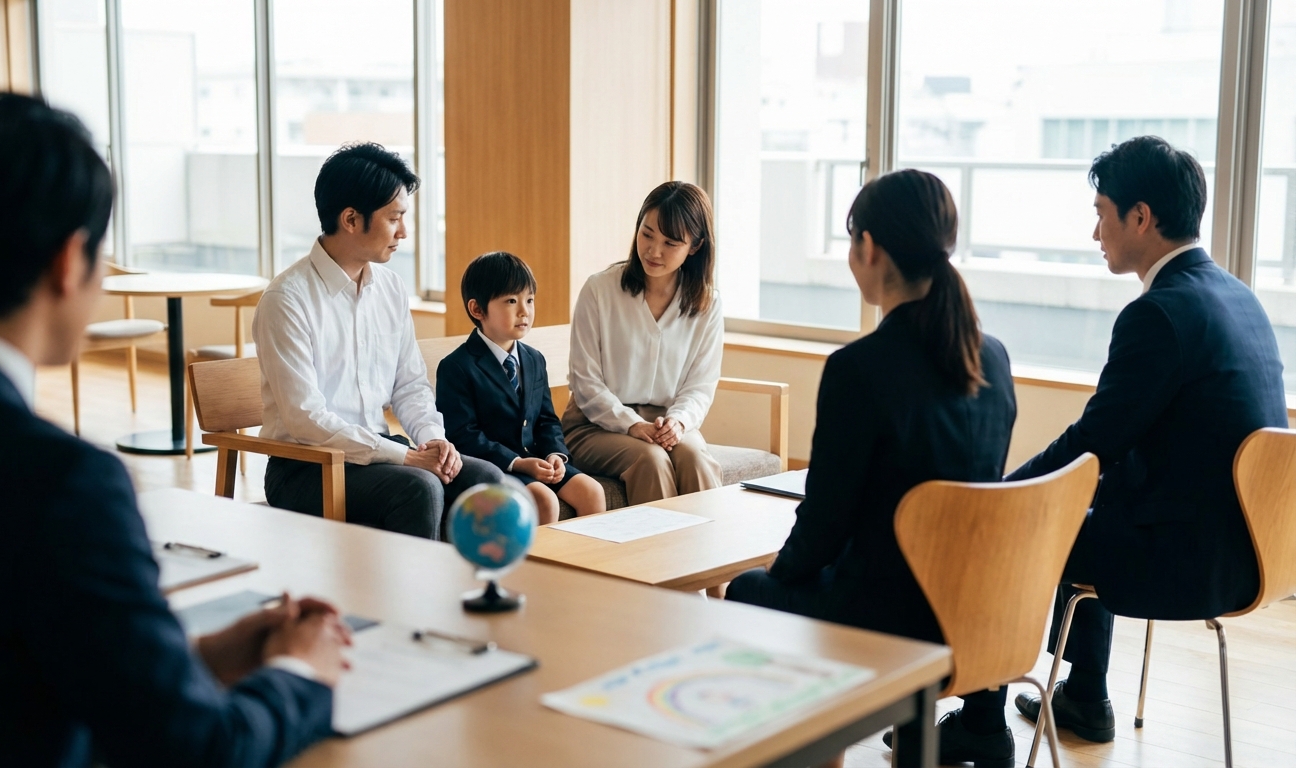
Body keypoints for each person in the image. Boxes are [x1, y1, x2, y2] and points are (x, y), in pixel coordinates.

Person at [0, 93, 350, 767]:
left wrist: (192, 657)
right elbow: (199, 750)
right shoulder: (60, 483)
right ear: (69, 263)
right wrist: (300, 672)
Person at [725, 169, 1018, 767]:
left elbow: (827, 520)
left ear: (869, 248)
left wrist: (783, 567)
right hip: (987, 616)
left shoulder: (860, 369)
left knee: (749, 593)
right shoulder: (993, 357)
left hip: (892, 624)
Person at [1007, 136, 1286, 746]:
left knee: (1027, 527)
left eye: (1102, 213)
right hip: (1256, 550)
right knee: (1102, 499)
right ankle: (1084, 696)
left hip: (1187, 561)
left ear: (1141, 216)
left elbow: (1093, 442)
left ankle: (979, 722)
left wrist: (1001, 494)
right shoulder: (1238, 297)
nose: (1096, 233)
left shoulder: (1159, 313)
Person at [256, 143, 503, 539]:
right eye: (394, 218)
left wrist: (433, 440)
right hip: (306, 466)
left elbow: (410, 386)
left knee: (484, 478)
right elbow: (306, 419)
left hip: (375, 454)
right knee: (417, 489)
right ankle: (407, 600)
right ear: (351, 219)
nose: (404, 232)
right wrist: (405, 456)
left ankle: (461, 593)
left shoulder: (389, 288)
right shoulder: (287, 300)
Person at [564, 181, 725, 505]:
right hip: (594, 426)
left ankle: (710, 553)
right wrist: (632, 424)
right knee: (650, 459)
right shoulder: (599, 290)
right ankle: (657, 556)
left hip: (667, 421)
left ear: (695, 246)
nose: (653, 250)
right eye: (647, 233)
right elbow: (585, 383)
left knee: (694, 457)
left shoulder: (707, 303)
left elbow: (700, 386)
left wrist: (678, 423)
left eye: (670, 242)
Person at [436, 252, 607, 525]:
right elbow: (462, 435)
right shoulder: (457, 366)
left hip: (538, 459)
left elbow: (547, 420)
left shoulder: (534, 358)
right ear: (478, 310)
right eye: (511, 301)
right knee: (543, 499)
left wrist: (555, 454)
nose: (524, 311)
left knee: (592, 491)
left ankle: (588, 566)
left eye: (529, 300)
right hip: (498, 466)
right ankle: (539, 568)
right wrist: (517, 462)